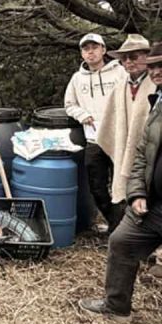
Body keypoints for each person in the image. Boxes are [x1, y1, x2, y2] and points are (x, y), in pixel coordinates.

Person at [78, 44, 162, 322]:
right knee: (121, 241)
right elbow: (141, 151)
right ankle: (116, 306)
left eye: (160, 65)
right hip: (153, 201)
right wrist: (137, 191)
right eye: (153, 66)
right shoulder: (156, 102)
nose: (156, 71)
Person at [65, 33, 127, 232]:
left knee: (122, 187)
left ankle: (122, 230)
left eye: (94, 47)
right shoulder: (77, 79)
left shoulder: (119, 73)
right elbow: (69, 104)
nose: (90, 52)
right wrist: (82, 114)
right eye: (86, 49)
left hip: (118, 139)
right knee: (97, 188)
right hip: (93, 140)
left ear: (103, 50)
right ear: (82, 53)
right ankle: (115, 223)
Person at [96, 34, 153, 233]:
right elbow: (110, 123)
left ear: (148, 57)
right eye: (125, 58)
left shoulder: (156, 84)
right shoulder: (120, 87)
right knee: (129, 194)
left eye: (135, 57)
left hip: (152, 153)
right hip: (126, 149)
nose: (129, 62)